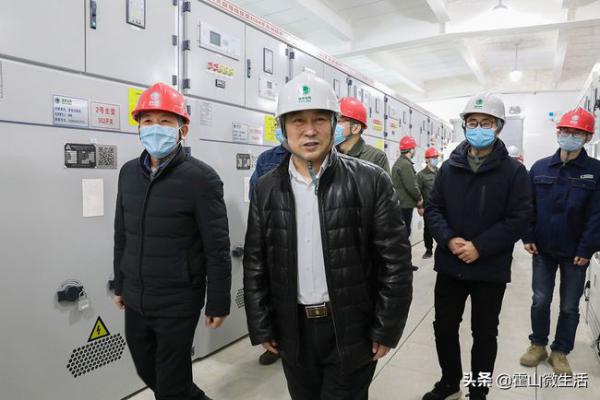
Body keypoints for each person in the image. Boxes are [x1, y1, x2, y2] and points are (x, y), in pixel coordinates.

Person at [243, 70, 413, 400]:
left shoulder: (371, 180)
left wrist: (386, 327)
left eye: (319, 120)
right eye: (297, 121)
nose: (309, 131)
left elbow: (395, 263)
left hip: (352, 326)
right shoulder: (266, 188)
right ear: (282, 128)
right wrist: (262, 324)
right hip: (293, 330)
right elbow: (255, 263)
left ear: (334, 125)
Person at [113, 83, 231, 400]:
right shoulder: (127, 173)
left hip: (178, 299)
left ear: (183, 129)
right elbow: (122, 234)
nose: (155, 128)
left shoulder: (201, 178)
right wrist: (120, 284)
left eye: (165, 121)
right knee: (147, 369)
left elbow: (217, 247)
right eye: (148, 121)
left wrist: (218, 300)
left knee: (170, 383)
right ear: (139, 127)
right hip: (136, 296)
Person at [423, 92, 532, 400]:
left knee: (484, 333)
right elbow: (434, 208)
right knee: (444, 327)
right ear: (464, 126)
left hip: (489, 268)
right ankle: (449, 382)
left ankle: (479, 390)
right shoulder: (449, 168)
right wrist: (448, 238)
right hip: (451, 264)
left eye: (486, 123)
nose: (478, 128)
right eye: (473, 122)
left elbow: (520, 217)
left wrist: (480, 247)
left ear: (498, 127)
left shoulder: (513, 172)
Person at [519, 107, 600, 375]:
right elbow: (528, 206)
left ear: (588, 137)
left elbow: (597, 215)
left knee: (569, 305)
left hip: (576, 252)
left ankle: (560, 351)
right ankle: (538, 345)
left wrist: (587, 248)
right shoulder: (540, 167)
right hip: (542, 249)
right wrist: (528, 235)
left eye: (577, 132)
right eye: (565, 130)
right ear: (558, 132)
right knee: (540, 300)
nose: (569, 136)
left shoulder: (595, 171)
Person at [248, 132, 289, 366]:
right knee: (274, 291)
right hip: (275, 232)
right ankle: (275, 344)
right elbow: (255, 193)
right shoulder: (267, 158)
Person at [391, 135, 423, 271]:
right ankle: (404, 265)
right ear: (411, 149)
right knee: (404, 235)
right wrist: (419, 198)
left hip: (400, 204)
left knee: (402, 234)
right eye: (414, 148)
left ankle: (402, 264)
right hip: (405, 205)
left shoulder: (400, 162)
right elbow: (411, 186)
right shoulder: (405, 164)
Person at [336, 96, 390, 173]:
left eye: (338, 121)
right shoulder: (328, 154)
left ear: (356, 128)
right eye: (332, 120)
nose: (332, 125)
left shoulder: (376, 158)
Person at [416, 147, 440, 259]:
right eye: (433, 157)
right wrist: (419, 206)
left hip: (441, 206)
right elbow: (418, 192)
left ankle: (443, 248)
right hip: (428, 207)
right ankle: (429, 250)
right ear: (427, 159)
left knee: (442, 227)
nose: (436, 159)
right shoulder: (421, 175)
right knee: (428, 229)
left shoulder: (441, 172)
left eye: (436, 157)